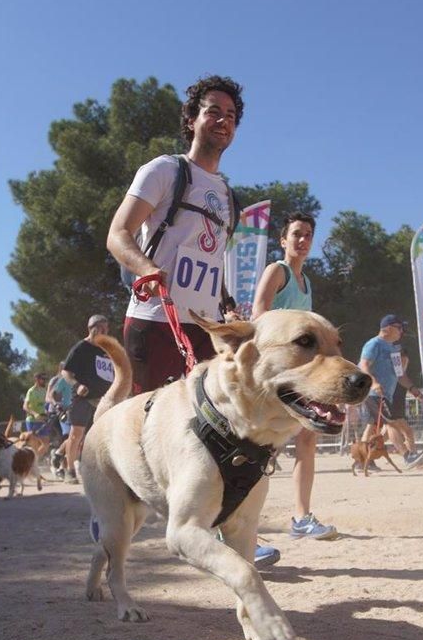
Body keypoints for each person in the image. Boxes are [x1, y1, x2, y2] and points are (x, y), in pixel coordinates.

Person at [107, 75, 243, 393]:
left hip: (207, 331)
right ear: (192, 119)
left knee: (199, 434)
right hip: (155, 322)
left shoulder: (229, 196)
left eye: (231, 116)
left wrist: (227, 303)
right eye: (213, 111)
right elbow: (118, 233)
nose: (223, 120)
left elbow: (210, 259)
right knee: (143, 430)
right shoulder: (165, 170)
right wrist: (147, 270)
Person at [252, 212, 334, 562]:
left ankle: (301, 518)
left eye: (309, 235)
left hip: (301, 374)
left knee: (307, 438)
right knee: (259, 450)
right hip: (274, 372)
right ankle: (246, 533)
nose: (303, 240)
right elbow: (258, 313)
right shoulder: (278, 271)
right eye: (297, 234)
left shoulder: (306, 282)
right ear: (283, 240)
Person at [359, 315, 423, 469]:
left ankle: (363, 460)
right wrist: (374, 383)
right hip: (373, 394)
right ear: (388, 328)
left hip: (386, 395)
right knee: (391, 424)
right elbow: (363, 366)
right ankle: (407, 456)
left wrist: (417, 393)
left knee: (372, 428)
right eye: (399, 327)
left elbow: (400, 375)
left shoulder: (394, 348)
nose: (402, 331)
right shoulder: (373, 344)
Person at [59, 315, 115, 484]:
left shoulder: (107, 349)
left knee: (104, 436)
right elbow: (66, 372)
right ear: (92, 328)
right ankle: (69, 470)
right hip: (83, 399)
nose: (105, 332)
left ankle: (103, 472)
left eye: (107, 329)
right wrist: (77, 386)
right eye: (101, 328)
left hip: (104, 399)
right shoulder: (81, 348)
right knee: (76, 435)